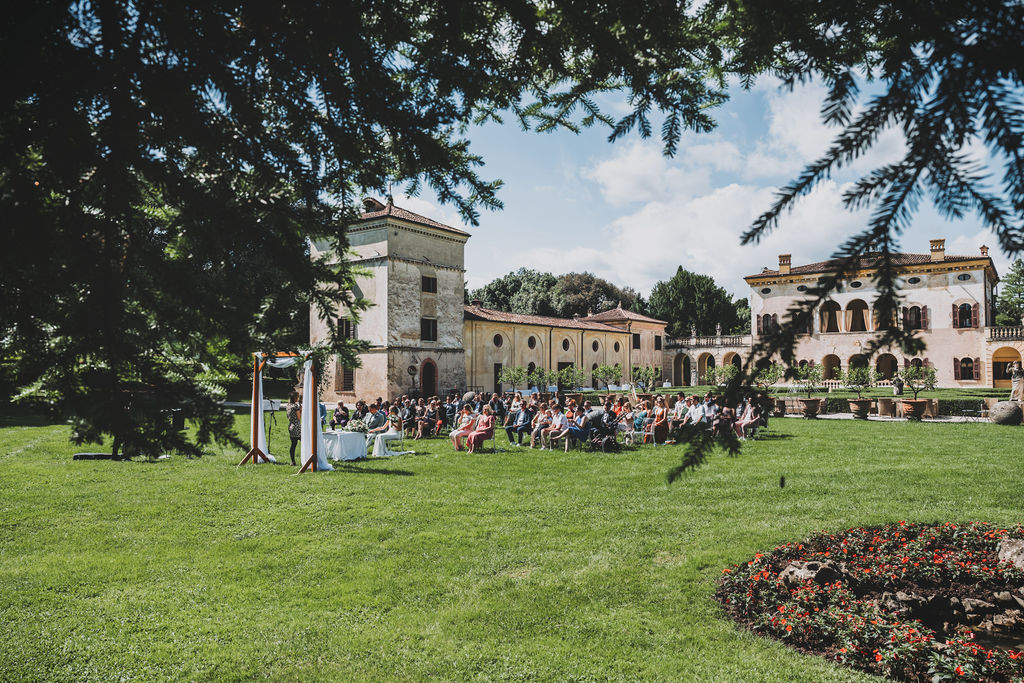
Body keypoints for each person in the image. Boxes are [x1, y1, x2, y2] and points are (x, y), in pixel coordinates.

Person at [285, 391, 301, 465]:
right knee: (305, 442)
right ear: (295, 398)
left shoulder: (288, 406)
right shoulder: (295, 406)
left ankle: (293, 461)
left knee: (293, 444)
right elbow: (299, 417)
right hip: (297, 427)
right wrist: (301, 410)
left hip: (291, 425)